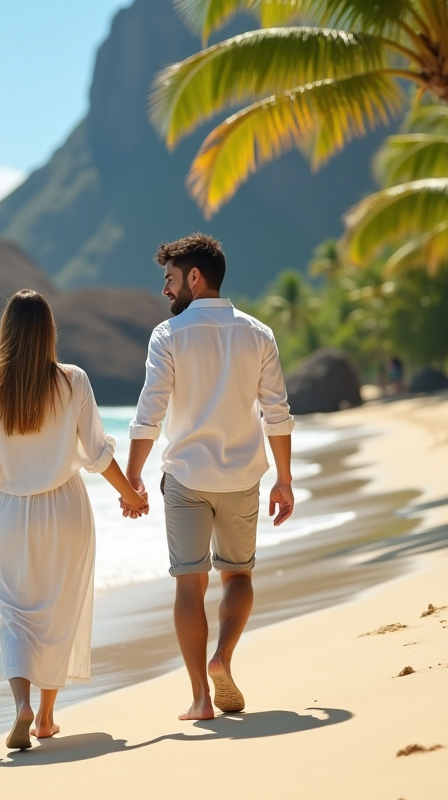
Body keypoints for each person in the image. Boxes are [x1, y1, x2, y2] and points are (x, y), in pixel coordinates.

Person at [0, 289, 149, 750]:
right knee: (59, 611)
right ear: (49, 332)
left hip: (12, 512)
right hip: (66, 509)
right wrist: (131, 496)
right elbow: (97, 454)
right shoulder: (73, 380)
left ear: (6, 333)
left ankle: (22, 705)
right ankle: (45, 718)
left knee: (15, 614)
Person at [122, 233, 295, 721]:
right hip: (241, 478)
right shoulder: (259, 334)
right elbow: (277, 413)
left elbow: (150, 411)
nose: (165, 289)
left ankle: (200, 697)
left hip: (186, 479)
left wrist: (132, 476)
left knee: (189, 585)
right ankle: (223, 656)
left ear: (194, 277)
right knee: (237, 575)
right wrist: (284, 479)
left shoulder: (168, 335)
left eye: (170, 279)